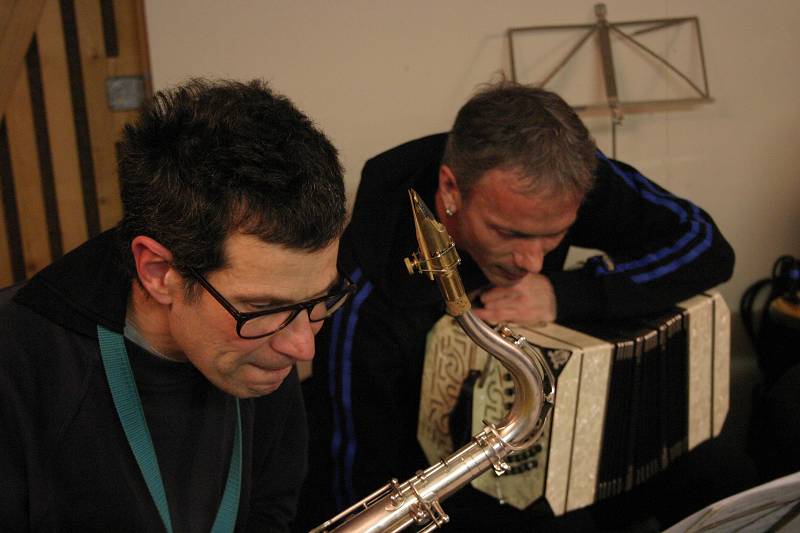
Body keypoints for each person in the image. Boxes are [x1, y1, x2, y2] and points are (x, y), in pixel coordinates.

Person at [295, 81, 735, 531]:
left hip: (560, 428)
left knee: (717, 469)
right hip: (448, 483)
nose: (533, 261)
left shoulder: (558, 179)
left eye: (555, 234)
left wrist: (564, 293)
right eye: (510, 234)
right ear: (451, 188)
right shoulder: (368, 289)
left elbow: (704, 244)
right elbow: (361, 484)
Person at [0, 79, 351, 532]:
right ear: (158, 271)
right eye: (264, 308)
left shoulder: (269, 340)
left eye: (320, 300)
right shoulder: (17, 365)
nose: (303, 348)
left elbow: (271, 506)